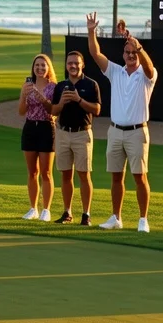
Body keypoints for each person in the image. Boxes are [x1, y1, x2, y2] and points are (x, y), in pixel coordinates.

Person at [86, 12, 156, 232]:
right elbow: (95, 53)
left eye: (133, 52)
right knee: (116, 177)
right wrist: (91, 31)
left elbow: (150, 67)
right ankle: (116, 217)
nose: (130, 55)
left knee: (140, 177)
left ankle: (143, 219)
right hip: (115, 131)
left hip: (137, 131)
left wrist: (139, 47)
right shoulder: (115, 71)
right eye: (127, 52)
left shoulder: (146, 75)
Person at [50, 51, 101, 225]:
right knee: (65, 174)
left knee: (84, 175)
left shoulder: (91, 84)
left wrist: (79, 100)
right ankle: (67, 212)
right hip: (63, 132)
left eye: (76, 63)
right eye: (70, 63)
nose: (73, 66)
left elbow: (97, 110)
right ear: (66, 65)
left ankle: (86, 214)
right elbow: (54, 111)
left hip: (82, 133)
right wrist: (62, 103)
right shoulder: (60, 86)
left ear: (82, 64)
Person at [17, 54, 55, 221]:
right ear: (33, 68)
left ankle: (46, 209)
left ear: (48, 68)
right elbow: (21, 111)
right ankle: (33, 208)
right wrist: (24, 96)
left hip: (46, 127)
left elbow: (54, 111)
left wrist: (44, 100)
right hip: (30, 127)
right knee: (32, 172)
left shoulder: (53, 87)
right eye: (37, 65)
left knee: (46, 172)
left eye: (43, 65)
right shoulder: (27, 85)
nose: (40, 68)